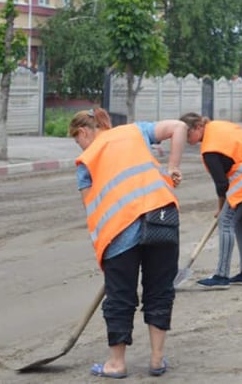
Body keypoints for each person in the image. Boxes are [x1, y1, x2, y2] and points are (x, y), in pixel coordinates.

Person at [69, 107, 187, 379]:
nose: (80, 146)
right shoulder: (136, 131)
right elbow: (179, 127)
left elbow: (93, 211)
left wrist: (102, 252)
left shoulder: (86, 160)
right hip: (161, 217)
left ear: (85, 132)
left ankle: (116, 363)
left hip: (119, 231)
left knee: (120, 296)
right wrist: (172, 167)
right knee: (159, 290)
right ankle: (157, 360)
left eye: (78, 140)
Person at [179, 113, 242, 288]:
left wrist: (221, 209)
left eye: (188, 135)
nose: (187, 140)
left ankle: (221, 276)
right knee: (239, 223)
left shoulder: (210, 149)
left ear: (198, 127)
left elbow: (221, 185)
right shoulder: (218, 125)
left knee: (225, 221)